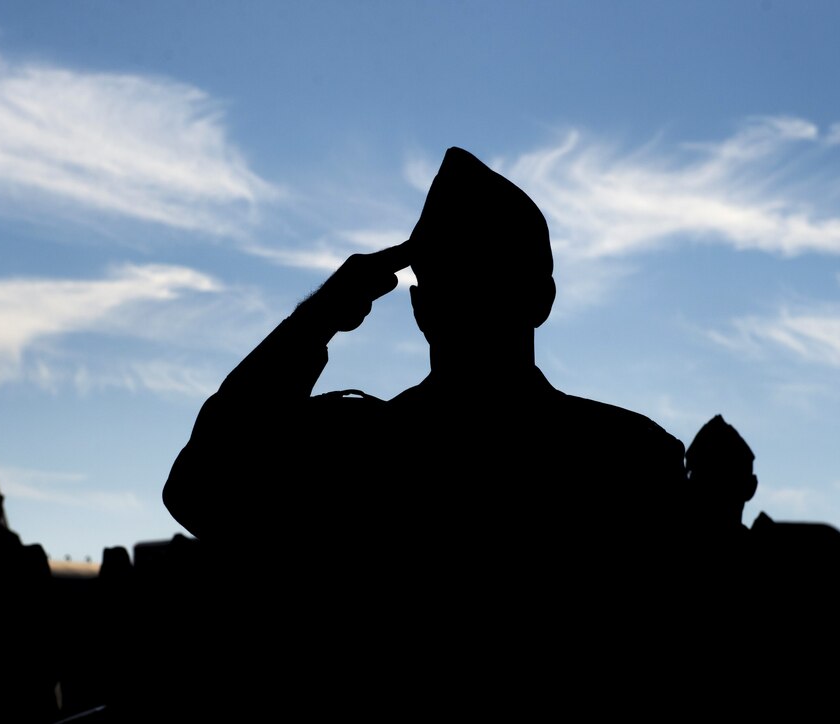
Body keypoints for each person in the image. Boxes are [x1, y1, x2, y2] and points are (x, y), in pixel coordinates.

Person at [161, 147, 690, 685]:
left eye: (488, 277)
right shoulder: (630, 455)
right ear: (542, 299)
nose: (475, 300)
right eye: (465, 279)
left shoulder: (355, 454)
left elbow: (201, 485)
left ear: (419, 309)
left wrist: (318, 317)